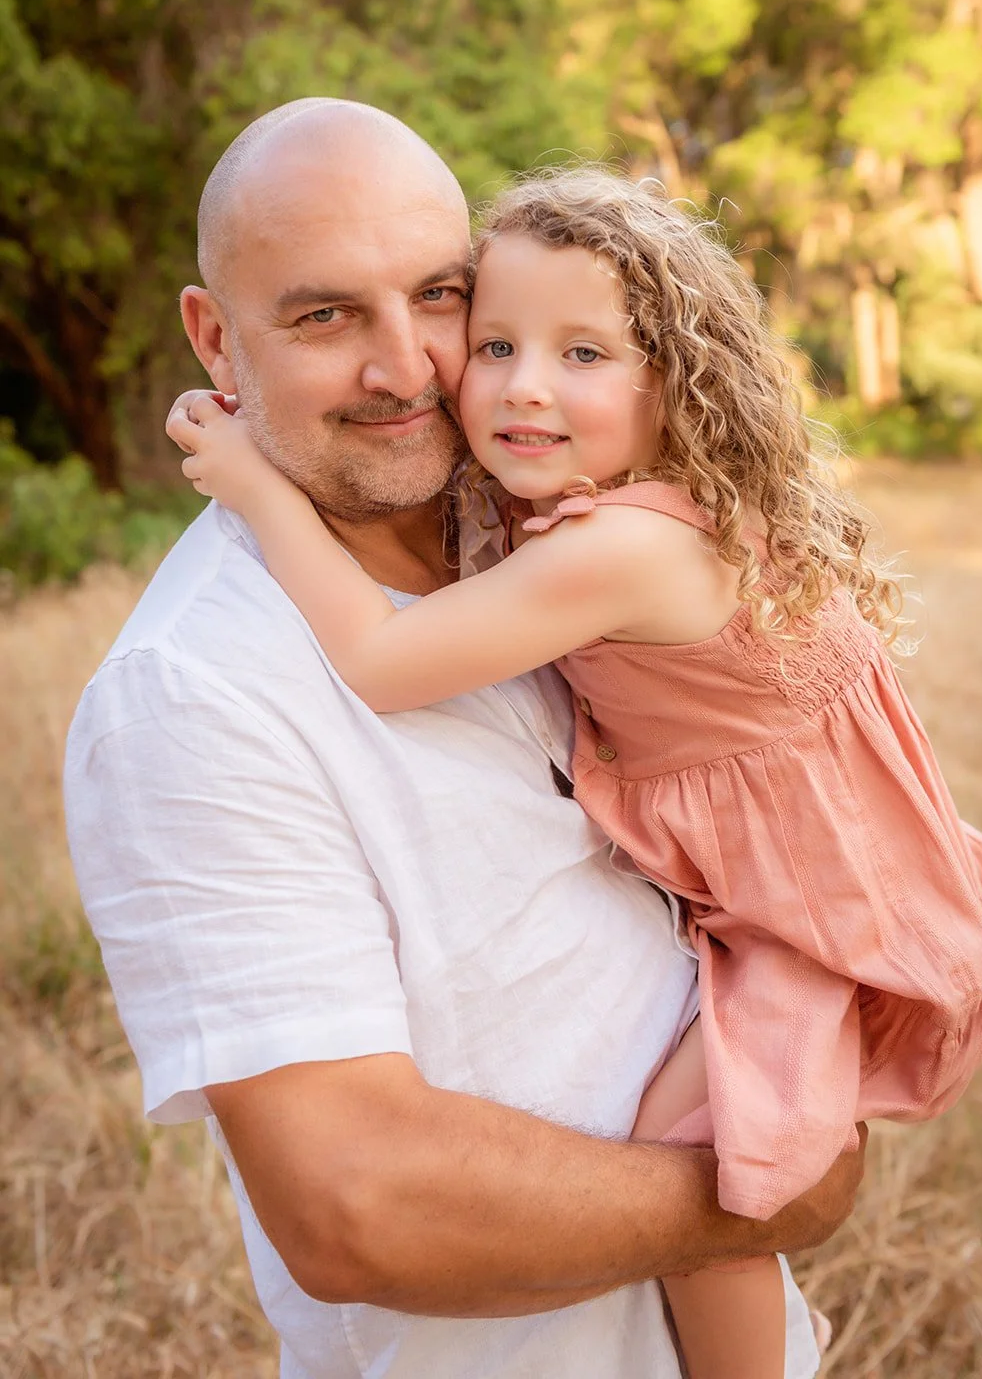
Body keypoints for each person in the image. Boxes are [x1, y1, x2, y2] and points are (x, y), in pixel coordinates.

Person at [65, 100, 864, 1379]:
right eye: (326, 316)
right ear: (215, 339)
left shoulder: (541, 538)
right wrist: (756, 1189)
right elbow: (354, 1206)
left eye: (441, 296)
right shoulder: (196, 693)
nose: (409, 368)